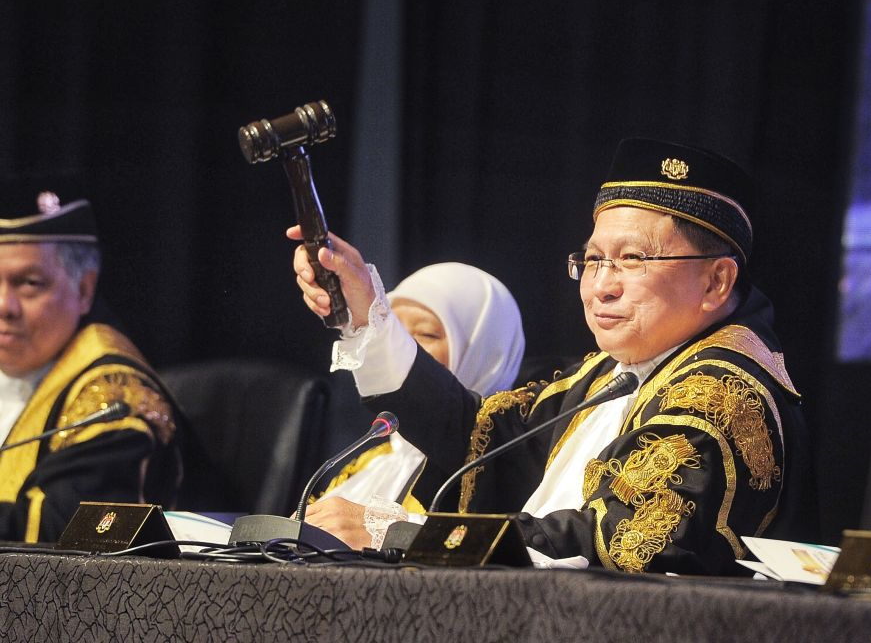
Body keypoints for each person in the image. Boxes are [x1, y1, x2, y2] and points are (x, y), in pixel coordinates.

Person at [291, 138, 815, 574]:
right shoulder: (618, 371)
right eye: (593, 259)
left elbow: (619, 539)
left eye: (632, 259)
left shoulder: (722, 391)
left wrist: (402, 533)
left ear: (716, 281)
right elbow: (481, 438)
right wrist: (367, 314)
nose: (601, 286)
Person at [0, 193, 181, 543]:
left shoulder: (113, 395)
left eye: (29, 283)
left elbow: (66, 528)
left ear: (84, 290)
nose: (4, 306)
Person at [316, 262, 525, 516]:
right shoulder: (369, 464)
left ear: (483, 353)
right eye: (396, 331)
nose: (404, 346)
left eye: (426, 334)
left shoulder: (492, 481)